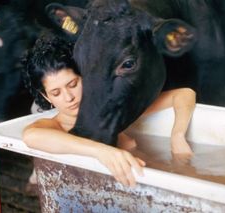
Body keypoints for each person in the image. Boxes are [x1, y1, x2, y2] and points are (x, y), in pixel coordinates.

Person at [22, 35, 196, 187]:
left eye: (73, 84)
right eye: (56, 93)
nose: (68, 97)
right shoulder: (54, 126)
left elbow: (184, 94)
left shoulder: (114, 109)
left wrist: (177, 135)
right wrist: (101, 151)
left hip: (155, 177)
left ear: (86, 76)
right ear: (46, 97)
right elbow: (31, 136)